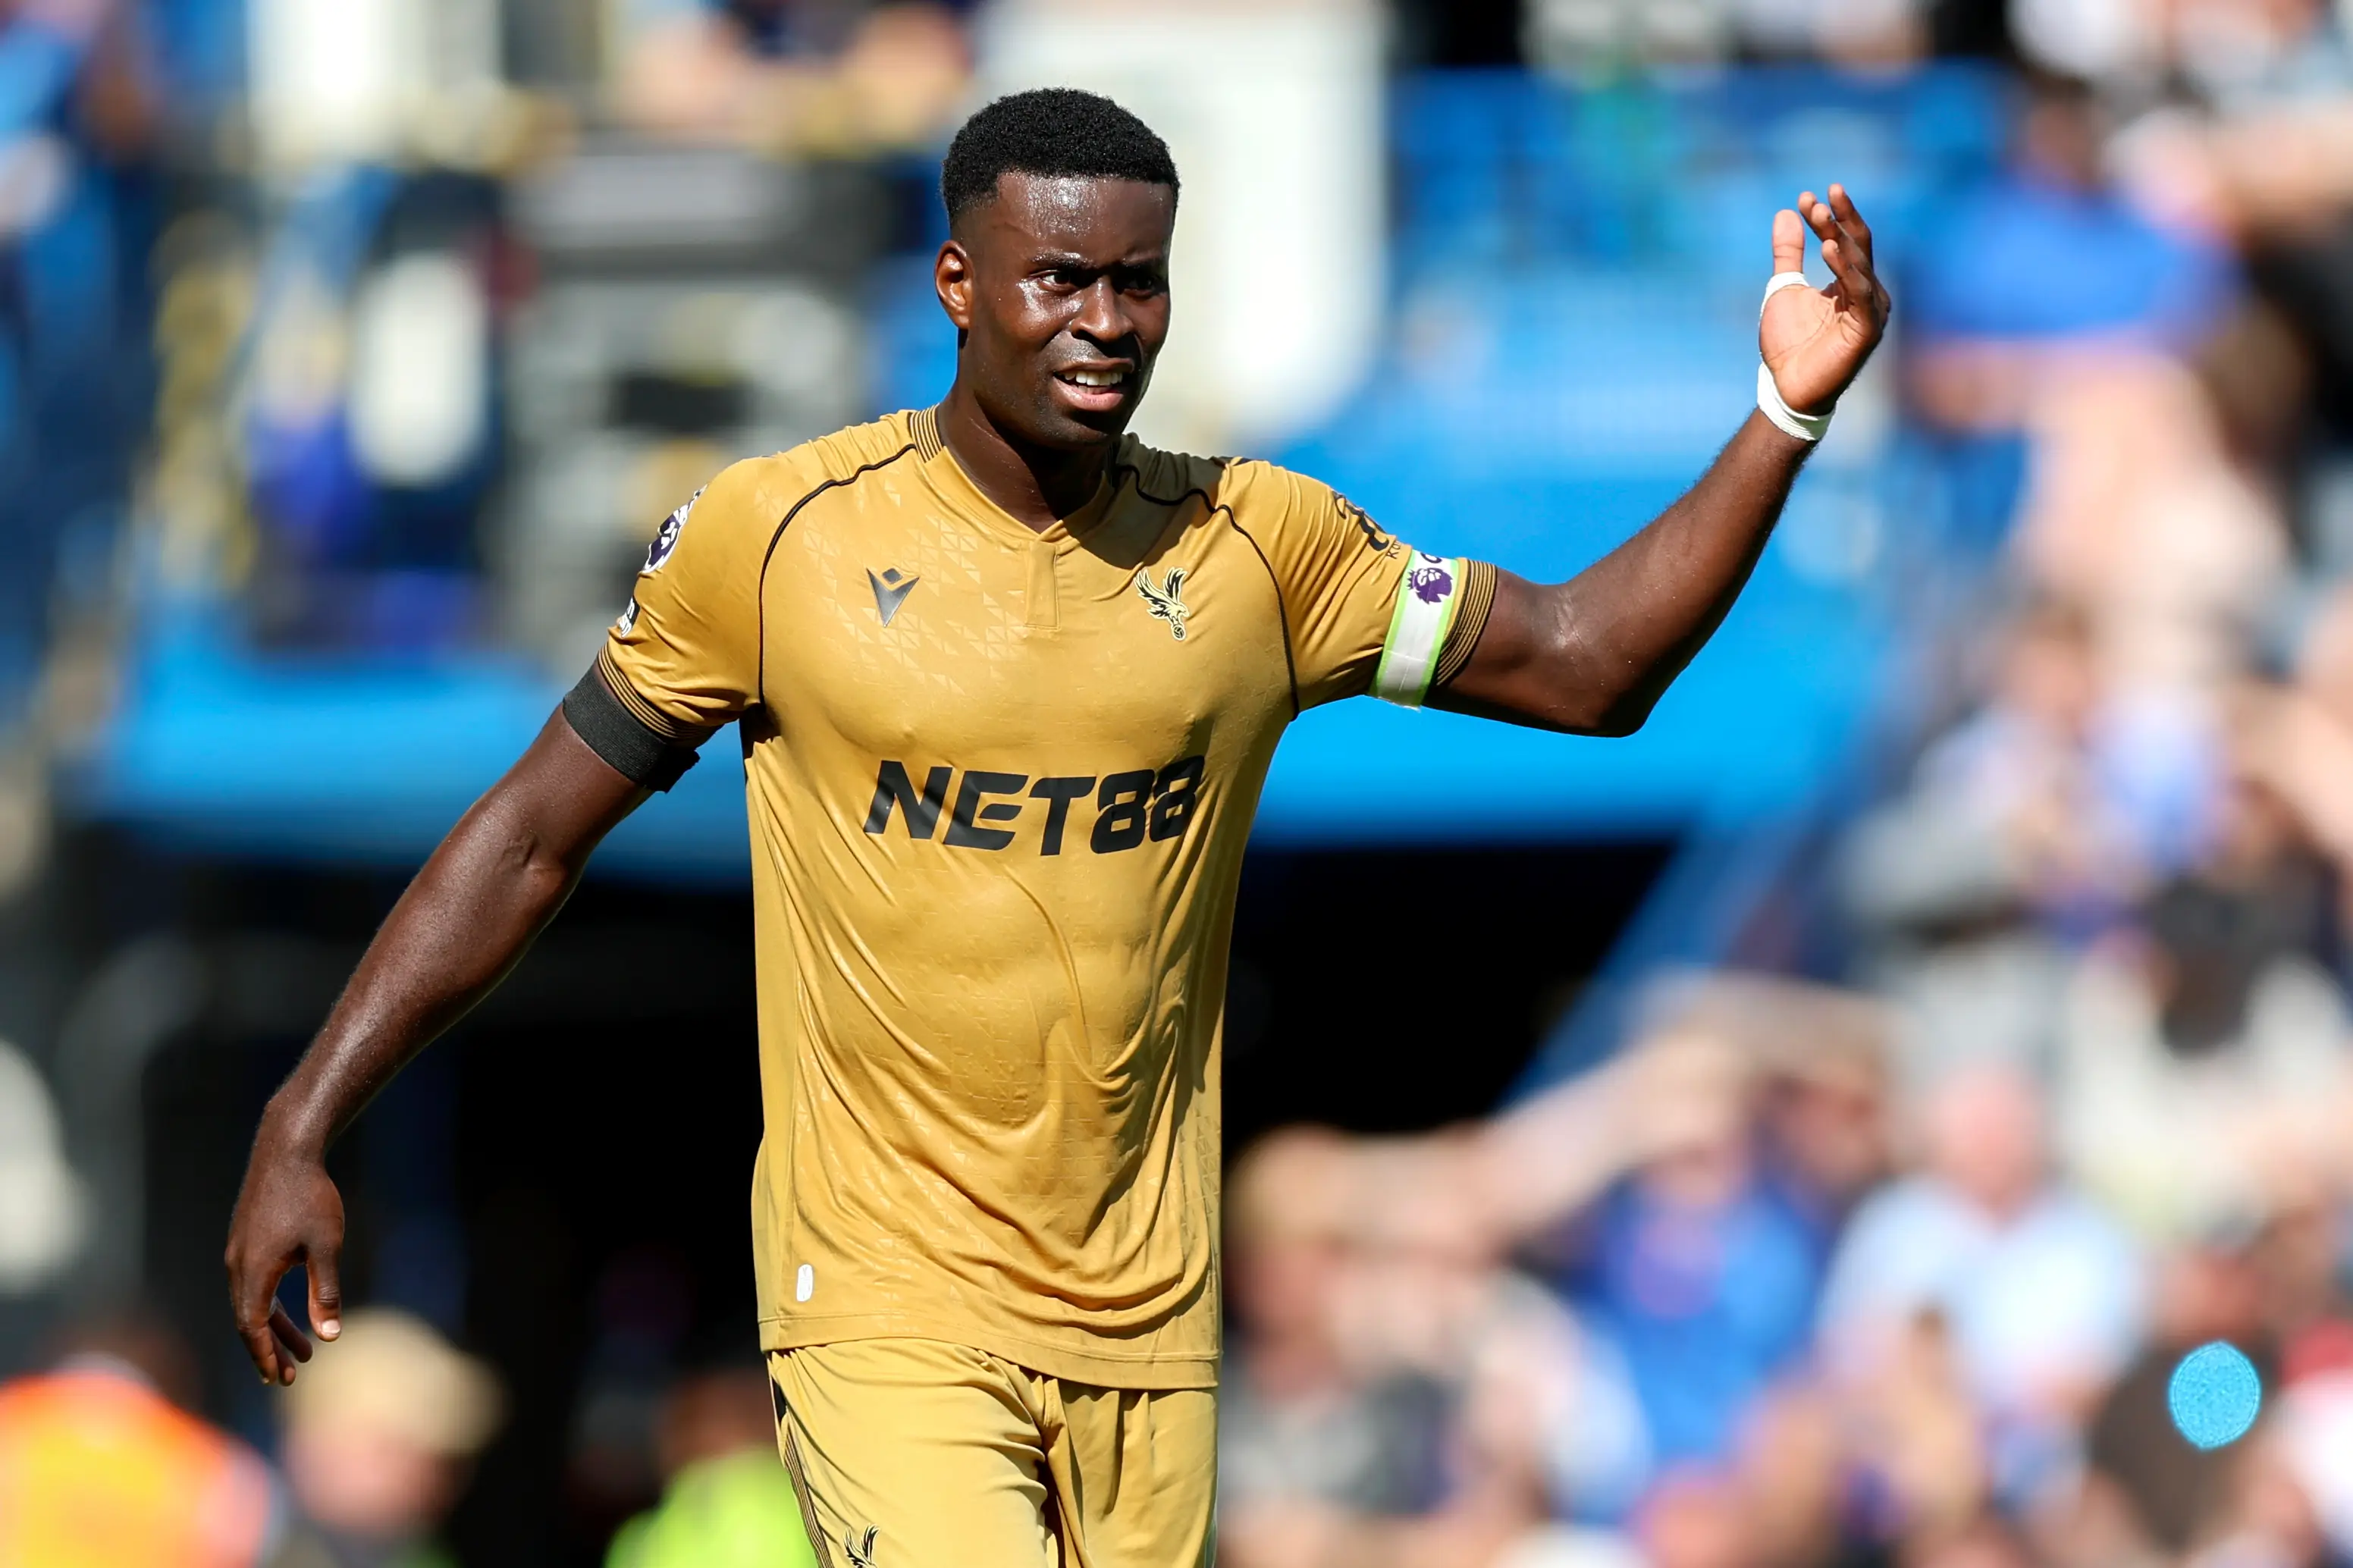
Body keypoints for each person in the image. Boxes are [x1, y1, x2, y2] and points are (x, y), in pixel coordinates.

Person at [224, 88, 1890, 1566]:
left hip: (1149, 1332)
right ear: (959, 284)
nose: (1105, 322)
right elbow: (527, 834)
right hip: (885, 1309)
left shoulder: (1262, 549)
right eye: (1058, 280)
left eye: (1138, 282)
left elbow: (1591, 667)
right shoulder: (777, 541)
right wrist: (306, 1113)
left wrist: (1784, 413)